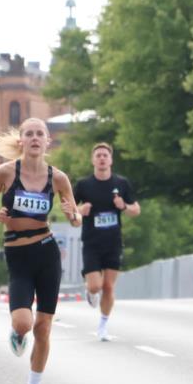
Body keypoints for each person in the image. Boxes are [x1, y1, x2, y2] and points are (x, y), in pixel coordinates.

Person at [0, 117, 81, 384]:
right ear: (21, 141)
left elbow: (76, 218)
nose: (35, 138)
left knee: (44, 327)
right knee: (24, 323)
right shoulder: (6, 172)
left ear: (48, 141)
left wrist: (72, 214)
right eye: (30, 134)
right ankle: (16, 332)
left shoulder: (58, 178)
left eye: (40, 134)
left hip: (47, 253)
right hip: (17, 254)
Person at [74, 143, 141, 340]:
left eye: (105, 155)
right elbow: (69, 209)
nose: (102, 158)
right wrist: (80, 210)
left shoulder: (121, 183)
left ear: (110, 160)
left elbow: (136, 210)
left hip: (113, 242)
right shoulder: (83, 185)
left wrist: (124, 206)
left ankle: (103, 325)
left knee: (109, 287)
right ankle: (90, 290)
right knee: (96, 286)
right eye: (98, 155)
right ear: (93, 160)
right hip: (92, 242)